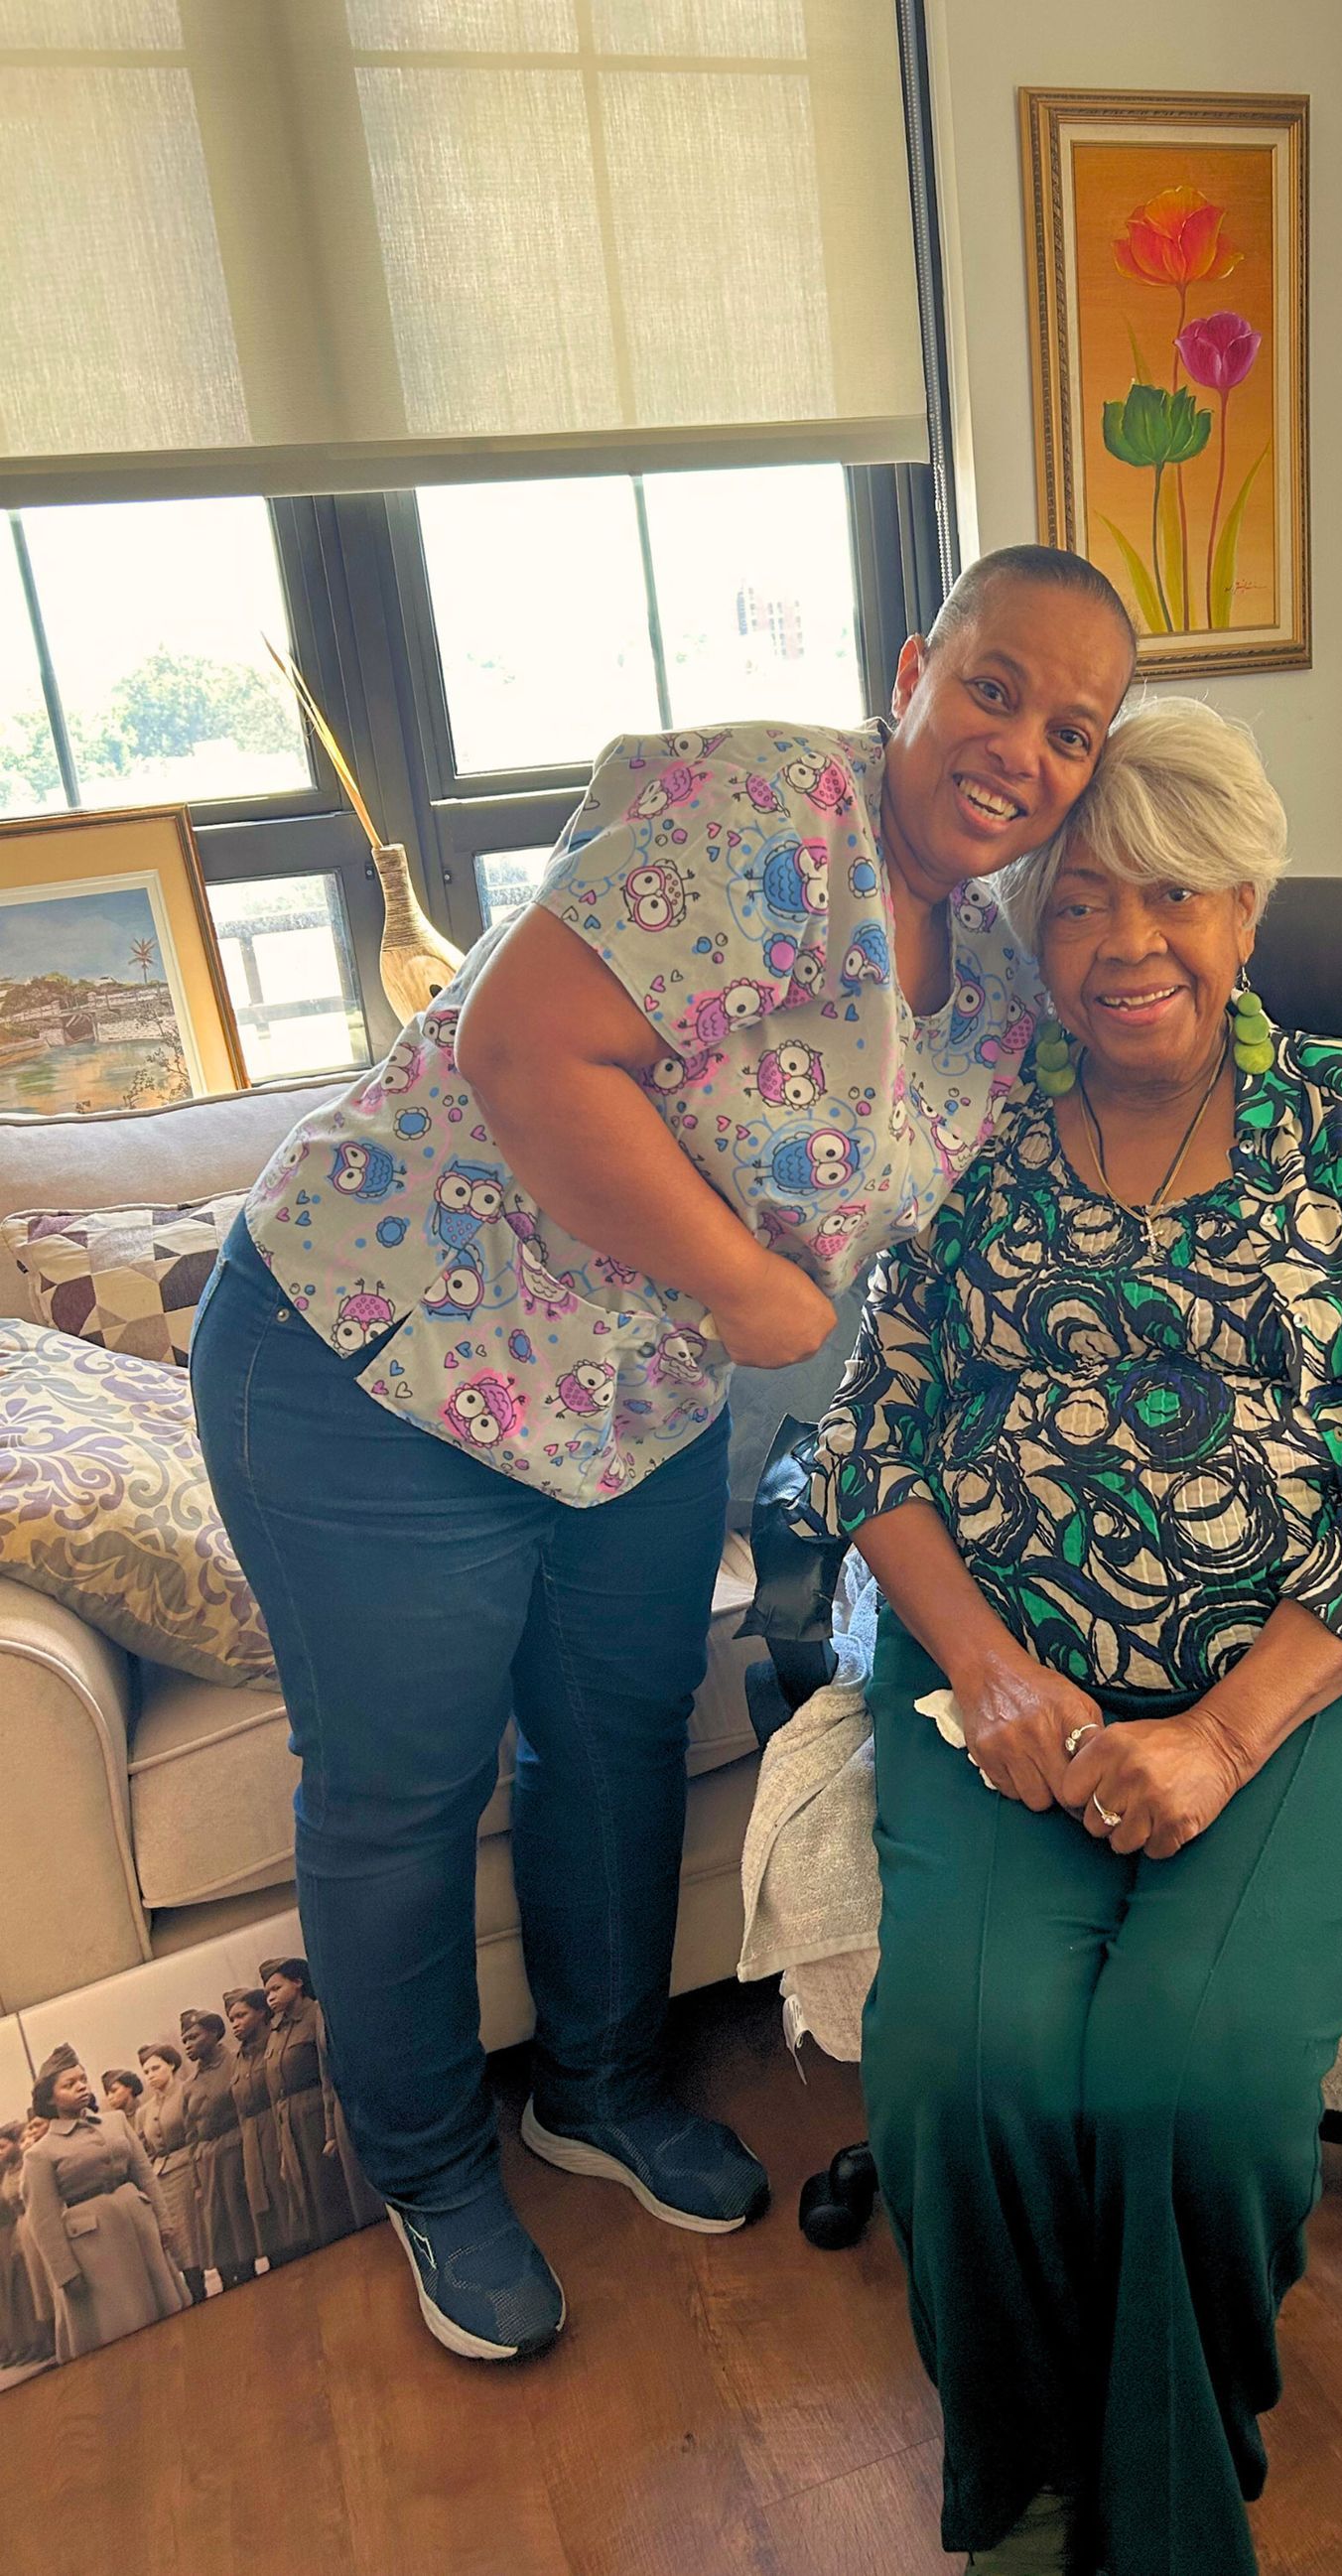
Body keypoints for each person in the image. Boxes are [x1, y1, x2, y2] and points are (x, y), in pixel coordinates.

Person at [189, 542, 1137, 2362]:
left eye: (1072, 730)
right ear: (914, 669)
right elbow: (521, 1045)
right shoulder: (769, 811)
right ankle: (434, 2167)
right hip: (370, 1351)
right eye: (997, 687)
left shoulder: (1003, 1000)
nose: (1021, 747)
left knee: (618, 1737)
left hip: (624, 1411)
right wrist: (751, 1294)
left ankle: (600, 2088)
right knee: (397, 1793)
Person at [792, 699, 1342, 2576]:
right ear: (1035, 934)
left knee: (1186, 2077)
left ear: (1249, 905)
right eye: (1086, 902)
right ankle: (1031, 2503)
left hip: (1321, 1688)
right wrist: (984, 1667)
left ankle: (1170, 2531)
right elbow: (868, 1433)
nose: (1131, 945)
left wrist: (1222, 1735)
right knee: (963, 2066)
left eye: (1176, 895)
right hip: (1005, 1691)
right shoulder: (969, 1134)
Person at [19, 2046, 187, 2363]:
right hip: (94, 2253)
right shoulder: (39, 2154)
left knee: (165, 2318)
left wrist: (163, 2222)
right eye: (69, 2084)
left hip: (140, 2230)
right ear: (50, 2099)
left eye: (83, 2079)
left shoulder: (115, 2123)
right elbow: (44, 2221)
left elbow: (145, 2176)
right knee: (120, 2327)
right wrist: (64, 2272)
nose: (81, 2086)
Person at [258, 1959, 372, 2244]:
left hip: (316, 2119)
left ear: (297, 1983)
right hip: (291, 2127)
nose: (270, 1997)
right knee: (309, 2204)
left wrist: (330, 2132)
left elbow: (326, 2076)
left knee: (332, 2197)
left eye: (276, 1988)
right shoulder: (277, 2032)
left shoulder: (316, 2016)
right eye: (266, 1992)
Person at [224, 1987, 310, 2265]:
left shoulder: (275, 2045)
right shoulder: (238, 2059)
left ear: (261, 2012)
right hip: (252, 2144)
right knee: (267, 2215)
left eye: (241, 2016)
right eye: (231, 2019)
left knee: (291, 2205)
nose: (235, 2024)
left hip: (277, 2131)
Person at [177, 2012, 260, 2290]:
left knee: (244, 2227)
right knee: (220, 2234)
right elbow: (191, 2135)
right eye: (184, 2040)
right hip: (207, 2162)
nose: (188, 2044)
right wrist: (197, 2180)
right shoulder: (189, 2086)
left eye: (194, 2037)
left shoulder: (237, 2062)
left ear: (213, 2033)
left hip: (237, 2152)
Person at [133, 2043, 206, 2303]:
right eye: (146, 2071)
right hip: (163, 2181)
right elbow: (145, 2150)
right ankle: (195, 2292)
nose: (150, 2075)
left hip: (190, 2170)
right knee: (179, 2243)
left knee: (199, 2235)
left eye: (156, 2068)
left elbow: (198, 2132)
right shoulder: (143, 2111)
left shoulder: (188, 2090)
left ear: (172, 2065)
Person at [0, 2120, 54, 2369]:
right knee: (23, 2289)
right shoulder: (7, 2172)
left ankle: (45, 2340)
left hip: (32, 2223)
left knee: (38, 2285)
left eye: (2, 2147)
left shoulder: (28, 2163)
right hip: (17, 2229)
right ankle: (27, 2343)